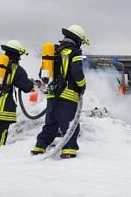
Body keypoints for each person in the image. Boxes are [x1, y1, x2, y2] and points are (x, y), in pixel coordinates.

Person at [31, 24, 89, 158]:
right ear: (78, 40)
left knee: (51, 124)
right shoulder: (75, 52)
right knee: (69, 124)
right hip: (68, 96)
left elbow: (43, 74)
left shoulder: (54, 52)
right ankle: (69, 151)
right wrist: (82, 86)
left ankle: (39, 147)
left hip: (52, 95)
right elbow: (77, 72)